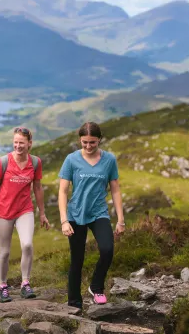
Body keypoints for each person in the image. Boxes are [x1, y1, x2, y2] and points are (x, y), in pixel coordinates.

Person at [58, 122, 124, 311]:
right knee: (77, 260)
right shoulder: (71, 159)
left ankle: (96, 286)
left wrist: (121, 219)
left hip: (99, 213)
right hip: (76, 214)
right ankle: (74, 304)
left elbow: (116, 190)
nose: (88, 146)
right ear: (80, 140)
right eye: (85, 142)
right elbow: (63, 191)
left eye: (92, 143)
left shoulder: (109, 160)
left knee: (107, 249)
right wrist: (64, 220)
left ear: (99, 140)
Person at [0, 127, 50, 303]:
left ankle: (25, 283)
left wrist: (42, 213)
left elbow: (37, 187)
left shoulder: (35, 162)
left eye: (21, 142)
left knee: (27, 245)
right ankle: (3, 286)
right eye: (15, 142)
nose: (18, 146)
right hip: (3, 211)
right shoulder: (3, 162)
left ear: (29, 144)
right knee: (4, 251)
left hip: (24, 210)